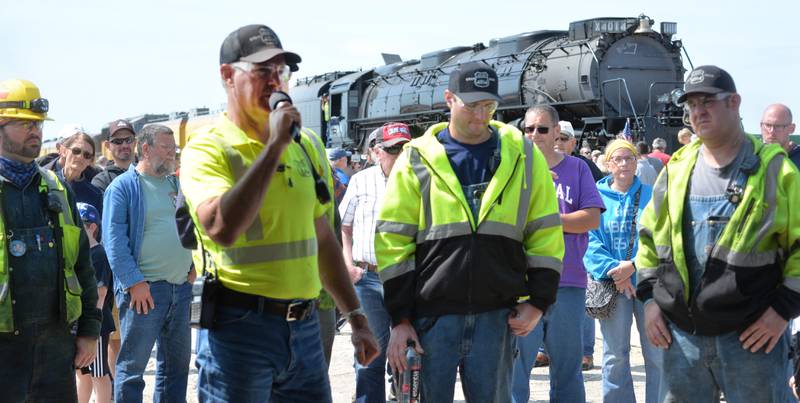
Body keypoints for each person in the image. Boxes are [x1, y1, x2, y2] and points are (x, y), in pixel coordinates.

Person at [179, 24, 379, 402]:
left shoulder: (307, 145)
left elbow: (323, 237)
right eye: (262, 72)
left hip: (303, 330)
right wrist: (273, 146)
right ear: (227, 76)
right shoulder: (207, 149)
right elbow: (221, 228)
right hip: (238, 332)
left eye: (281, 71)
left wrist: (356, 316)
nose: (275, 82)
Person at [375, 62, 563, 402]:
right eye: (472, 105)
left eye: (489, 106)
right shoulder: (415, 159)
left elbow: (545, 231)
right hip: (429, 321)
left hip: (497, 318)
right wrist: (400, 318)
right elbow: (393, 241)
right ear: (449, 99)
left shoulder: (524, 155)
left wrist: (538, 301)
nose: (481, 115)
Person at [637, 65, 800, 402]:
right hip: (681, 338)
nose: (698, 111)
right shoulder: (678, 169)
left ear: (735, 103)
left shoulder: (775, 170)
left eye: (708, 101)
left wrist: (782, 311)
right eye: (692, 104)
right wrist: (650, 301)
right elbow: (650, 240)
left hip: (751, 340)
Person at [0, 78, 100, 402]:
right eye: (24, 124)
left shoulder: (57, 189)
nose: (35, 131)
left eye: (38, 124)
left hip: (55, 350)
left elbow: (82, 266)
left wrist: (89, 329)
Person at [513, 104, 604, 403]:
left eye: (542, 128)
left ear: (556, 132)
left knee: (567, 371)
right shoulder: (512, 169)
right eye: (529, 129)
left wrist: (549, 220)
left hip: (567, 281)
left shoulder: (577, 169)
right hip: (521, 284)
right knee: (515, 370)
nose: (535, 134)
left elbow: (591, 219)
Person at [102, 124, 194, 403]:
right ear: (146, 149)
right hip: (145, 294)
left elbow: (188, 227)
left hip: (180, 289)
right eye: (167, 148)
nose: (172, 154)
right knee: (132, 371)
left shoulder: (175, 184)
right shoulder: (123, 187)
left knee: (176, 370)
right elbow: (113, 240)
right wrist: (134, 283)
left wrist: (192, 267)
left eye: (174, 148)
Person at [583, 140, 662, 403]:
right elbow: (589, 239)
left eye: (629, 158)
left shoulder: (652, 194)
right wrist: (615, 272)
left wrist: (632, 266)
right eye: (618, 159)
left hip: (649, 283)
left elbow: (660, 237)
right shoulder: (595, 194)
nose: (624, 164)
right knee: (615, 354)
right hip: (612, 284)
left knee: (656, 352)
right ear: (607, 164)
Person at [341, 122, 411, 403]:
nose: (400, 154)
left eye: (405, 148)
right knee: (369, 354)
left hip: (406, 278)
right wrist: (348, 265)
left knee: (408, 353)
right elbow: (344, 226)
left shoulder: (419, 179)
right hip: (368, 279)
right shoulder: (361, 181)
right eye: (394, 149)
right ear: (377, 151)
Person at [74, 203, 114, 403]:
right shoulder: (79, 254)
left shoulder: (98, 254)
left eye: (81, 223)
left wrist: (92, 325)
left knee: (99, 372)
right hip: (83, 321)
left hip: (96, 322)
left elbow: (101, 292)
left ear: (92, 227)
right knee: (82, 371)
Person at [44, 132, 105, 218]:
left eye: (87, 155)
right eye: (76, 151)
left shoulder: (95, 195)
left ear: (90, 161)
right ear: (64, 151)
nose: (80, 157)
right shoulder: (46, 182)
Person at [92, 119, 137, 192]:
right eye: (117, 141)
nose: (124, 145)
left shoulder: (147, 173)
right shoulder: (102, 181)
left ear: (135, 142)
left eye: (129, 140)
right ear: (107, 145)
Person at [760, 103, 799, 168]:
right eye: (768, 125)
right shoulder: (750, 156)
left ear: (791, 128)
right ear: (761, 126)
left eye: (778, 126)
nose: (771, 131)